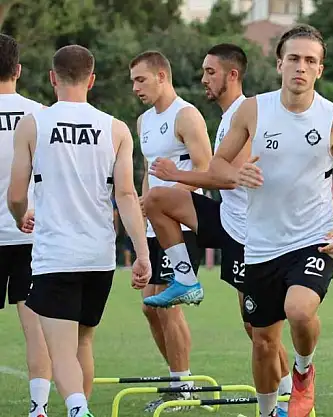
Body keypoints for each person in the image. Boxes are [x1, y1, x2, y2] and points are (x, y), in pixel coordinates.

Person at [209, 24, 333, 417]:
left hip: (314, 237)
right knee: (262, 340)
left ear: (320, 70)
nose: (301, 66)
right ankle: (267, 411)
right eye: (294, 58)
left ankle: (303, 370)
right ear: (279, 64)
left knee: (298, 310)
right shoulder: (252, 110)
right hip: (261, 244)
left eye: (310, 61)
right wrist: (237, 174)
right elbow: (217, 165)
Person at [144, 43, 293, 416]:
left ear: (232, 75)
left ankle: (291, 393)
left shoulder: (243, 114)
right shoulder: (229, 117)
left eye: (210, 72)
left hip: (250, 236)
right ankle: (186, 279)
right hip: (227, 220)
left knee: (257, 328)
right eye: (203, 71)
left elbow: (229, 178)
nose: (203, 79)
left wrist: (177, 174)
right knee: (157, 199)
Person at [8, 44, 151, 417]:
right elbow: (126, 195)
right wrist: (142, 253)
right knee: (83, 343)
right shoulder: (116, 129)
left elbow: (16, 194)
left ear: (52, 78)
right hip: (98, 256)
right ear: (92, 80)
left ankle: (77, 408)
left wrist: (21, 215)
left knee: (61, 352)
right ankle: (80, 407)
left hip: (56, 255)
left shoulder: (33, 124)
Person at [129, 50, 212, 411]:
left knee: (168, 304)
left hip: (183, 222)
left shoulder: (186, 115)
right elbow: (149, 172)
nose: (136, 88)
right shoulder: (143, 121)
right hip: (154, 221)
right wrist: (143, 207)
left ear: (162, 76)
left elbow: (205, 168)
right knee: (150, 306)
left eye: (141, 79)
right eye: (133, 81)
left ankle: (183, 387)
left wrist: (168, 201)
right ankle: (178, 378)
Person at [0, 33, 52, 417]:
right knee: (35, 327)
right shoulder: (41, 115)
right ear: (18, 69)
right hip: (31, 234)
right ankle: (39, 408)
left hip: (21, 232)